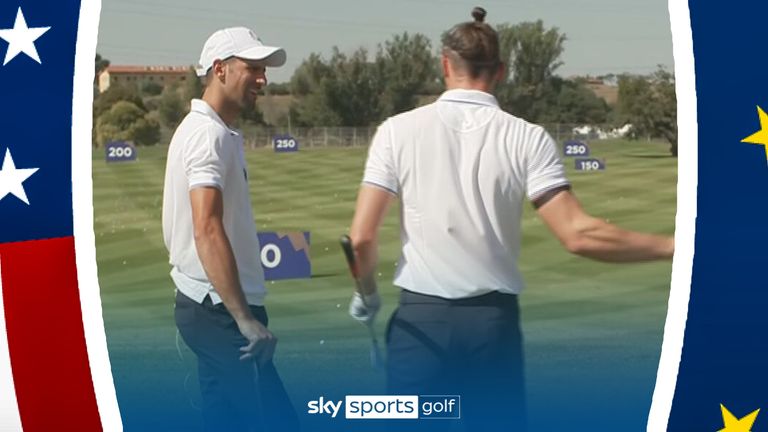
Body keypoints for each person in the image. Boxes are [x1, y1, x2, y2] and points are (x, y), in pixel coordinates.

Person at [346, 7, 674, 431]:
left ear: (445, 65)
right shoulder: (528, 136)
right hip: (491, 326)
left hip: (419, 325)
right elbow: (578, 234)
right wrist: (675, 246)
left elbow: (360, 240)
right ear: (500, 71)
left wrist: (367, 293)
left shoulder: (397, 130)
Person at [162, 27, 298, 432]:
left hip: (211, 305)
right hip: (218, 309)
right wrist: (244, 318)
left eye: (263, 69)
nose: (262, 78)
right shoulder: (208, 135)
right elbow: (206, 227)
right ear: (219, 69)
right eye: (252, 68)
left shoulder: (215, 131)